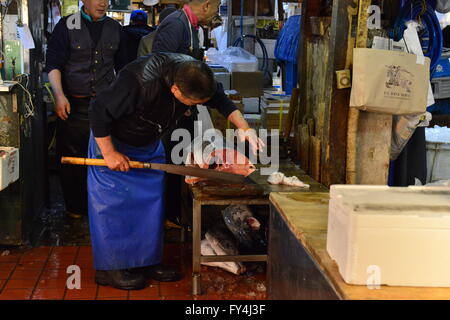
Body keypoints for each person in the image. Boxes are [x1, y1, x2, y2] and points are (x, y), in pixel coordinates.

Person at [88, 53, 263, 290]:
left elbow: (220, 100)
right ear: (175, 91)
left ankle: (145, 261)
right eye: (192, 104)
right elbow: (98, 111)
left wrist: (245, 128)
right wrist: (109, 153)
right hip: (113, 143)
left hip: (148, 142)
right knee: (114, 205)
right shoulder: (138, 81)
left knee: (150, 205)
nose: (196, 107)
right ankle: (110, 268)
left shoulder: (196, 73)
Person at [45, 0, 127, 219]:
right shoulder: (66, 25)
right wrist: (59, 95)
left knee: (105, 156)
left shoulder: (115, 28)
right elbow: (53, 63)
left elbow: (126, 69)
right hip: (74, 104)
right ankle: (75, 208)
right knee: (72, 157)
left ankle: (101, 206)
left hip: (104, 106)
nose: (103, 3)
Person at [151, 0, 221, 226]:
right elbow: (161, 67)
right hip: (172, 112)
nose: (216, 14)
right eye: (217, 8)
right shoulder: (176, 25)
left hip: (184, 110)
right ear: (207, 4)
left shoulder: (191, 27)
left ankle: (177, 212)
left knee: (181, 161)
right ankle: (169, 215)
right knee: (172, 162)